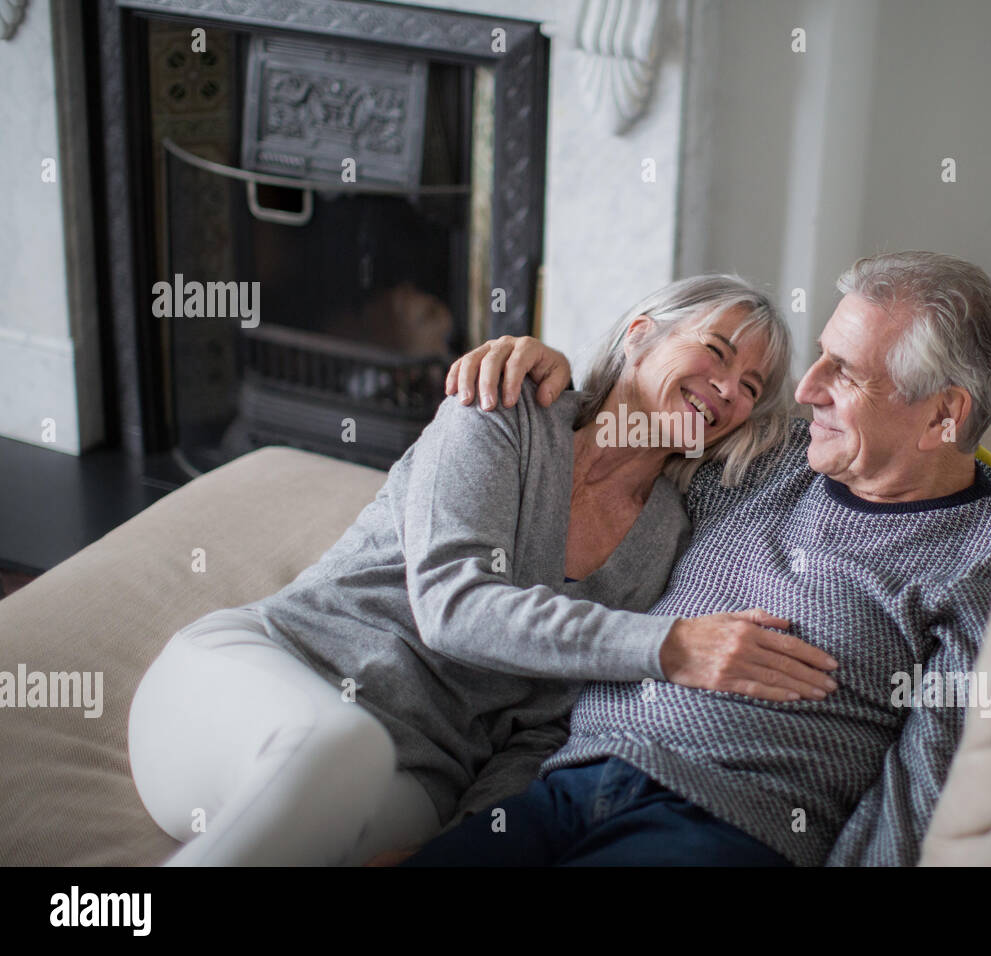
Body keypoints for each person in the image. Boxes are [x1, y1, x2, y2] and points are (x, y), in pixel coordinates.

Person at [126, 274, 822, 866]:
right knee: (341, 744)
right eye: (715, 351)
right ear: (641, 333)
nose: (726, 388)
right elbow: (452, 605)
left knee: (368, 782)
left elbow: (543, 726)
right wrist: (667, 647)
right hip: (249, 693)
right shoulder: (507, 406)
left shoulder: (666, 536)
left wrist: (476, 835)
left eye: (749, 387)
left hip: (404, 784)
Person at [401, 251, 991, 867]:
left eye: (847, 372)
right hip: (562, 781)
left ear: (944, 416)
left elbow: (928, 784)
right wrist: (539, 363)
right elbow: (645, 416)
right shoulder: (770, 460)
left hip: (725, 825)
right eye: (820, 357)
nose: (806, 389)